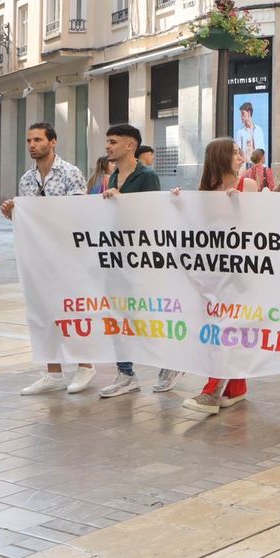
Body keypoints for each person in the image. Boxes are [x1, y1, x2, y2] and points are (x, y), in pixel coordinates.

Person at [3, 123, 94, 394]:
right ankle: (52, 372)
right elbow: (27, 220)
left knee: (73, 311)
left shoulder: (70, 173)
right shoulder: (26, 179)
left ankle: (86, 366)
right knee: (43, 313)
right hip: (39, 257)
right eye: (29, 140)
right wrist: (13, 211)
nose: (32, 145)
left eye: (38, 139)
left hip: (68, 255)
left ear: (52, 142)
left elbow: (78, 213)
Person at [180, 138, 260, 415]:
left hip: (239, 270)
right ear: (221, 157)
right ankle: (236, 388)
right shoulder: (204, 192)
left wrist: (238, 205)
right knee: (222, 326)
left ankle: (212, 390)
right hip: (212, 271)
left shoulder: (247, 185)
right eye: (235, 152)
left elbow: (257, 227)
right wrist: (177, 203)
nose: (240, 156)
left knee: (225, 327)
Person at [98, 123, 164, 397]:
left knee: (146, 315)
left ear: (130, 145)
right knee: (117, 314)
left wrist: (121, 200)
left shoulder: (146, 176)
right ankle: (125, 372)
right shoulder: (113, 176)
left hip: (139, 259)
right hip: (117, 256)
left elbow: (152, 215)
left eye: (113, 142)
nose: (108, 146)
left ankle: (169, 363)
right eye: (107, 141)